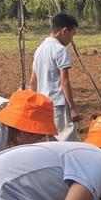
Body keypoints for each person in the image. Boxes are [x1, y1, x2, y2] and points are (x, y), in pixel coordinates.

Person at [30, 13, 81, 141]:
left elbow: (32, 82)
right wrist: (73, 108)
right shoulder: (60, 50)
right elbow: (64, 81)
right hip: (58, 104)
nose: (71, 40)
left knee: (51, 143)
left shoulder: (39, 49)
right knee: (66, 141)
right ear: (64, 31)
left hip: (44, 103)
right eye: (72, 34)